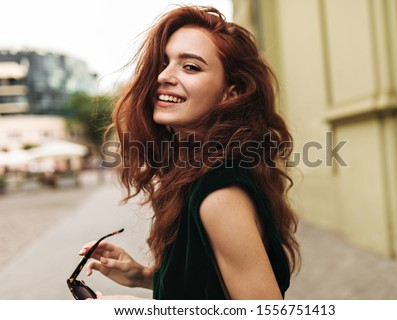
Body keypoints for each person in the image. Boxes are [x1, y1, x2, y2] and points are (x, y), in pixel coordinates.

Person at [79, 5, 300, 300]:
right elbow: (209, 287)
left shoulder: (219, 192)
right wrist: (144, 276)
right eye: (165, 62)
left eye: (191, 66)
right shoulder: (194, 172)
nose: (163, 76)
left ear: (230, 93)